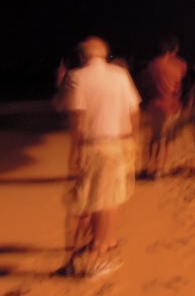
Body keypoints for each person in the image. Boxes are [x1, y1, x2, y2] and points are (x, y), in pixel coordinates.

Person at [58, 36, 141, 279]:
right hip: (118, 144)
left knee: (83, 203)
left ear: (83, 56)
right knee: (108, 201)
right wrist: (133, 142)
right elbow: (134, 110)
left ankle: (81, 258)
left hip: (91, 146)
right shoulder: (120, 75)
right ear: (104, 54)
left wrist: (75, 152)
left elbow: (77, 119)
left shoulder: (76, 77)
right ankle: (98, 253)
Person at [144, 35, 188, 178]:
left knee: (155, 138)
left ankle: (151, 166)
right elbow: (179, 88)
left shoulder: (151, 66)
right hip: (171, 106)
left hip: (154, 105)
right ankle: (162, 167)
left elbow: (147, 86)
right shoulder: (178, 67)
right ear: (171, 51)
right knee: (168, 139)